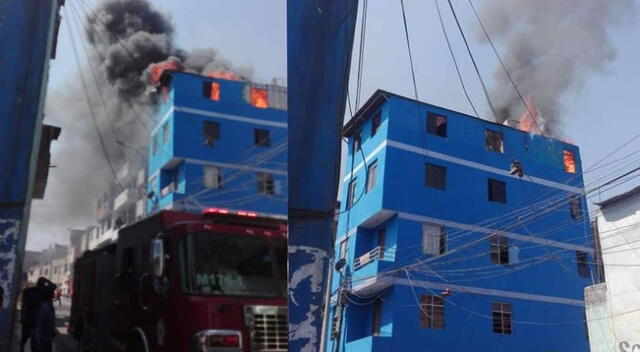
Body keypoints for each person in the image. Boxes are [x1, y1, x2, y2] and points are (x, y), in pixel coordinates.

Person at [22, 277, 57, 352]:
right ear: (44, 284)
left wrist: (23, 316)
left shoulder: (29, 291)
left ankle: (22, 347)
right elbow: (54, 286)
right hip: (42, 319)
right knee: (44, 342)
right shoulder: (46, 291)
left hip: (29, 317)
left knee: (28, 338)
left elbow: (24, 305)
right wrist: (46, 280)